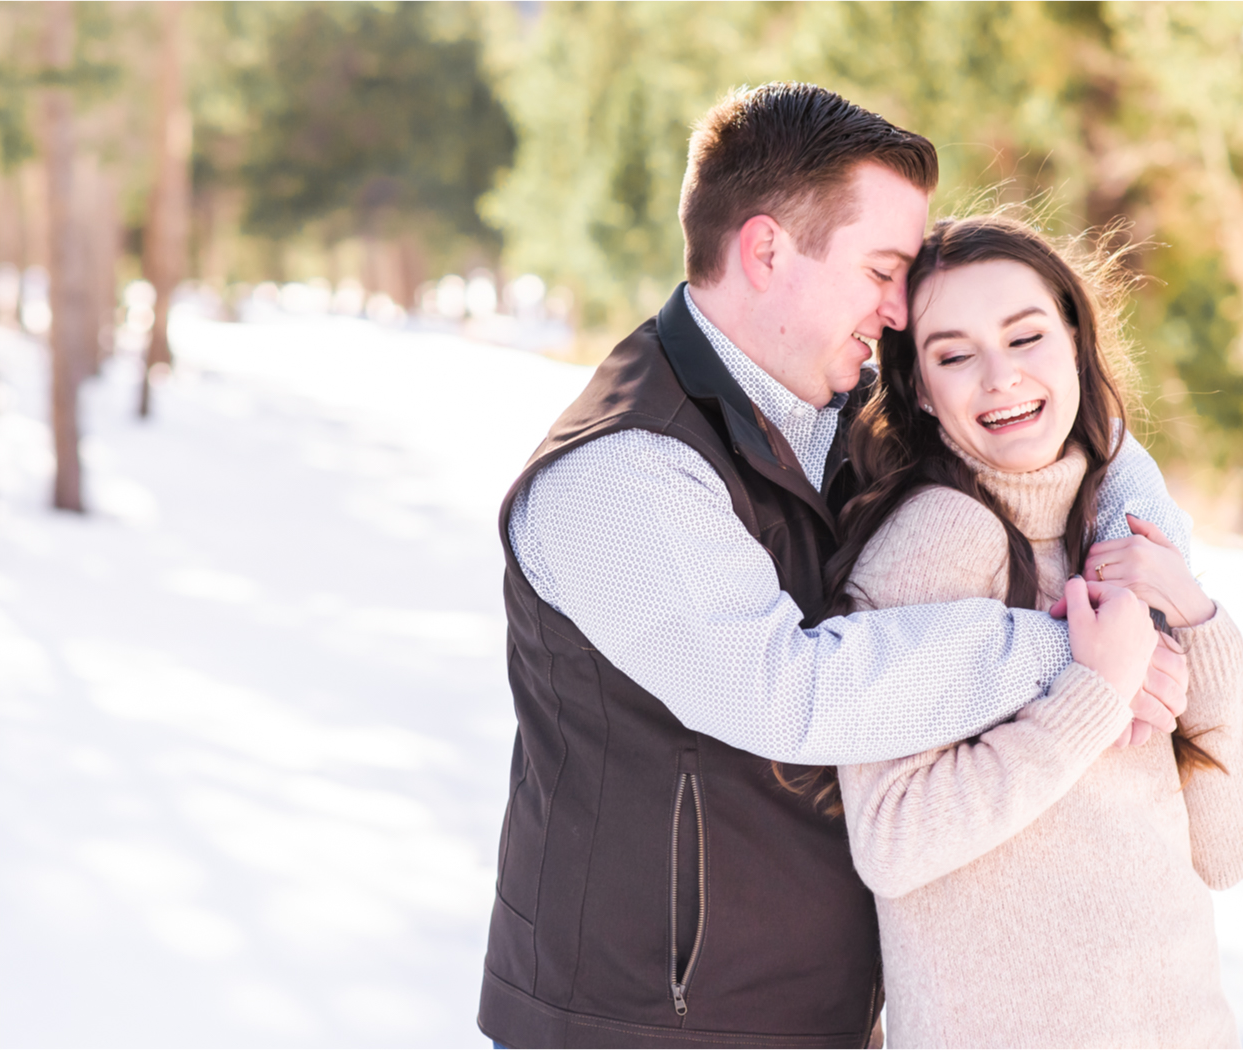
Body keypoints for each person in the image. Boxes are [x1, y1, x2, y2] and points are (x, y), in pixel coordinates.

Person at [479, 83, 1193, 1049]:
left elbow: (1077, 428)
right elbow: (790, 693)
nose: (900, 312)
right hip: (652, 1022)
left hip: (826, 1008)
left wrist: (1134, 572)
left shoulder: (839, 410)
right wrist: (1072, 651)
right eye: (882, 270)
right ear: (768, 250)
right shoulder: (623, 473)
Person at [831, 214, 1243, 1048]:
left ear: (1074, 338)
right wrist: (1092, 695)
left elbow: (1226, 851)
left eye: (1025, 337)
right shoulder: (935, 544)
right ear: (920, 388)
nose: (999, 378)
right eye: (955, 354)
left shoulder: (1115, 530)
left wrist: (1200, 623)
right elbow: (892, 839)